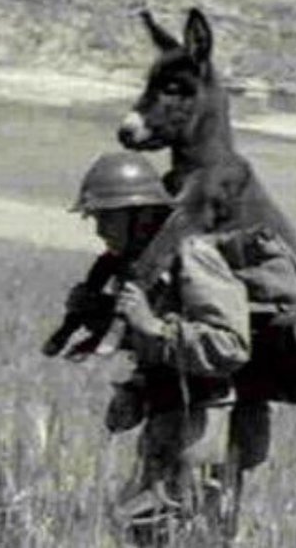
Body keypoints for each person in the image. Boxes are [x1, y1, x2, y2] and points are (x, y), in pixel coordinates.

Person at [54, 151, 263, 544]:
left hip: (204, 428)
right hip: (168, 421)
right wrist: (133, 387)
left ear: (140, 213)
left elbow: (231, 345)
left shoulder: (194, 257)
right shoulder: (148, 265)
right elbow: (156, 353)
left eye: (105, 216)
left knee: (180, 530)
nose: (98, 228)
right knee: (144, 531)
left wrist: (153, 326)